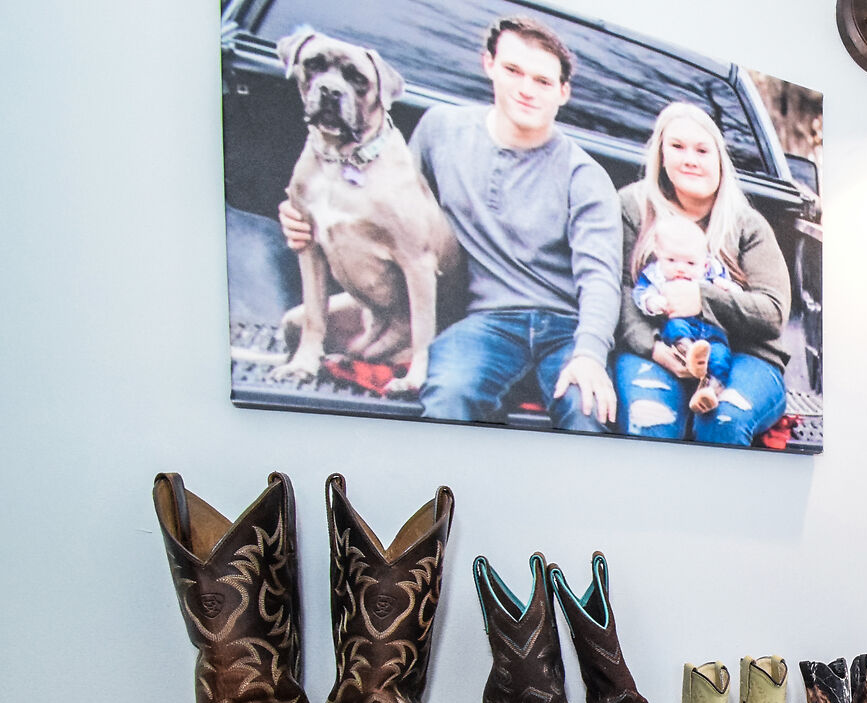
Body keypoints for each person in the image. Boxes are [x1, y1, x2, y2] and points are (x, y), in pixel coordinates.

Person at [281, 16, 621, 432]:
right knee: (448, 394)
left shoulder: (584, 176)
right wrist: (303, 214)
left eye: (542, 81)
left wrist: (589, 354)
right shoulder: (442, 130)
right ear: (489, 65)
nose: (526, 89)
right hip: (485, 322)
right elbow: (395, 205)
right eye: (513, 70)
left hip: (564, 325)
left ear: (563, 92)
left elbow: (600, 278)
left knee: (587, 409)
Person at [615, 102, 791, 446]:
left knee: (723, 421)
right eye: (677, 147)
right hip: (657, 350)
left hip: (744, 356)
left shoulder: (747, 224)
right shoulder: (633, 208)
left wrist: (702, 300)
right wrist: (653, 348)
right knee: (650, 419)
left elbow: (773, 311)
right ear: (661, 155)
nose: (690, 159)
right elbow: (618, 289)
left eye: (701, 150)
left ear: (719, 159)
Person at [633, 214, 735, 415]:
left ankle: (710, 391)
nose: (680, 268)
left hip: (711, 329)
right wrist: (653, 302)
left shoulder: (712, 274)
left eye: (690, 263)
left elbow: (733, 296)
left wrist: (727, 289)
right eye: (671, 260)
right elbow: (641, 293)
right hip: (681, 324)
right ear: (658, 255)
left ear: (704, 264)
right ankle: (688, 352)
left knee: (721, 357)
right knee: (675, 327)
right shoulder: (657, 276)